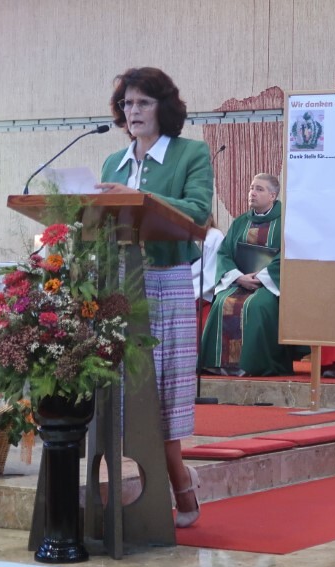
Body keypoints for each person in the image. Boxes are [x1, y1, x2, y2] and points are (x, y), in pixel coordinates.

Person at [98, 67, 212, 528]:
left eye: (143, 102)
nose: (133, 111)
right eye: (127, 103)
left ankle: (180, 483)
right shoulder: (113, 163)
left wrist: (137, 196)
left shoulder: (190, 154)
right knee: (122, 393)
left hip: (166, 281)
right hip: (117, 284)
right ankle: (133, 492)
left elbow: (198, 213)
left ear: (164, 107)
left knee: (161, 396)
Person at [200, 174, 303, 376]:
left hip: (270, 285)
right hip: (239, 281)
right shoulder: (241, 222)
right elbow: (224, 254)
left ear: (273, 195)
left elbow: (289, 255)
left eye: (259, 189)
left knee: (256, 306)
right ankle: (219, 363)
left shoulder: (287, 222)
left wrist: (261, 277)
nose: (252, 193)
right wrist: (238, 277)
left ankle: (252, 364)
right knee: (221, 302)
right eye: (251, 188)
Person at [191, 214, 224, 322]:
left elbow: (211, 275)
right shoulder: (182, 234)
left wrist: (186, 292)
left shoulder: (215, 236)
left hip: (202, 297)